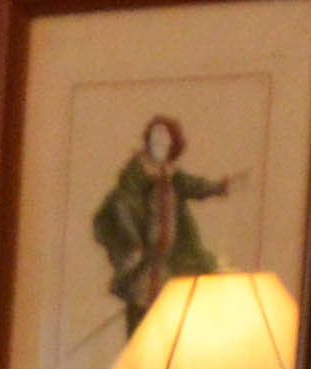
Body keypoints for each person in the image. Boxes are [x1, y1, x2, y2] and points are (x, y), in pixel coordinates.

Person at [91, 115, 238, 343]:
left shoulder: (173, 175)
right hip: (144, 261)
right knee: (140, 313)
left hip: (170, 261)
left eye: (165, 136)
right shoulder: (136, 173)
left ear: (173, 143)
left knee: (170, 316)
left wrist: (219, 187)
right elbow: (122, 205)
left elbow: (194, 186)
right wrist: (133, 244)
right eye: (155, 135)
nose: (159, 140)